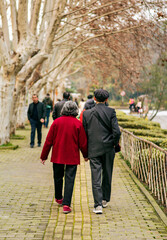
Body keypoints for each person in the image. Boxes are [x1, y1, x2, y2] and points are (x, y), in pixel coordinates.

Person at [40, 101, 88, 214]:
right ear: (76, 110)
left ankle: (58, 197)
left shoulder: (56, 122)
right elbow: (83, 143)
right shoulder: (78, 124)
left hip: (58, 155)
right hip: (72, 156)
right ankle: (66, 204)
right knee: (69, 179)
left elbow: (48, 141)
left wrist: (44, 156)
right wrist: (86, 155)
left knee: (57, 176)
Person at [82, 89, 121, 214]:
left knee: (95, 176)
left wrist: (85, 152)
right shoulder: (111, 112)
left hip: (93, 149)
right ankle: (105, 199)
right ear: (107, 99)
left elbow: (84, 134)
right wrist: (115, 144)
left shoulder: (87, 114)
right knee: (107, 173)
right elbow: (117, 131)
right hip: (108, 148)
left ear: (94, 98)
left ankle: (97, 205)